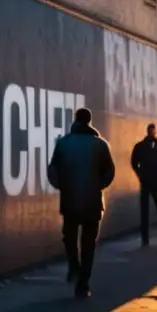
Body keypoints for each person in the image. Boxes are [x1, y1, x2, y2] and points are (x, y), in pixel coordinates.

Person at [48, 108, 116, 297]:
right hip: (93, 203)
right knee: (88, 244)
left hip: (69, 202)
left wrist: (62, 186)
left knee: (69, 238)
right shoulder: (100, 145)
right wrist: (97, 186)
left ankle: (73, 266)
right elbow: (109, 172)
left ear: (76, 121)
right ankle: (83, 285)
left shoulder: (63, 143)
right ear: (90, 121)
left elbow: (52, 169)